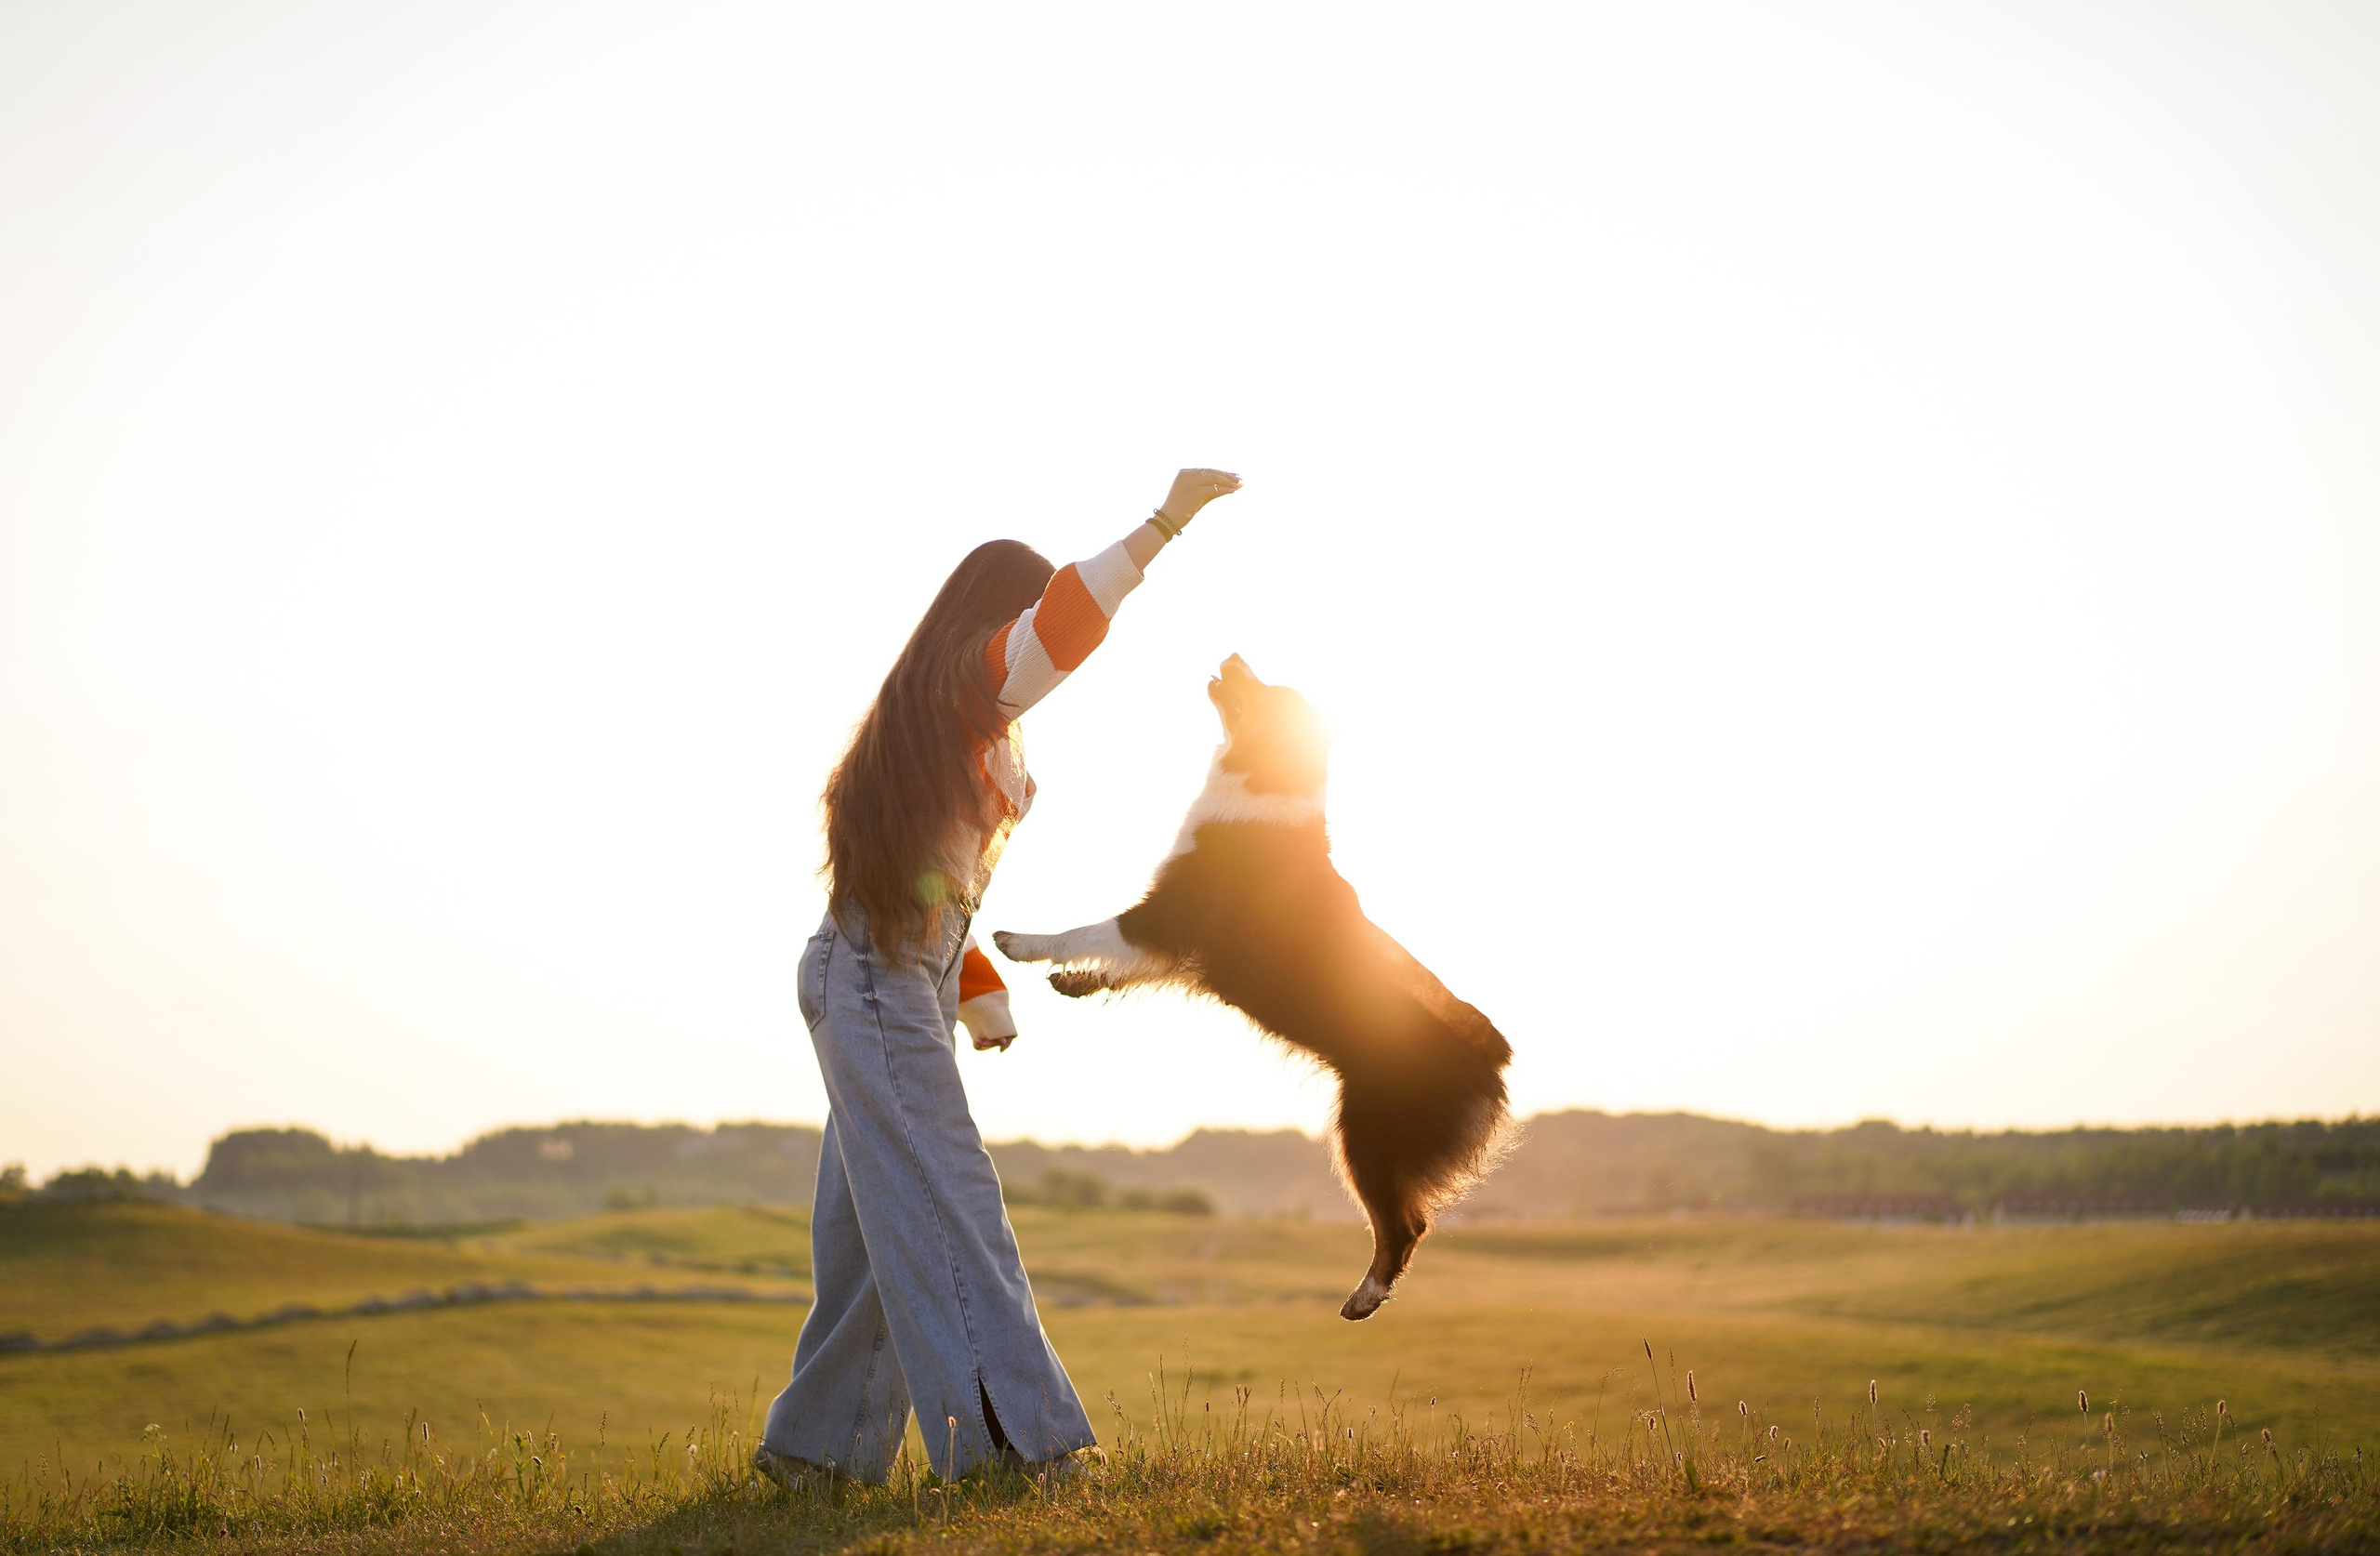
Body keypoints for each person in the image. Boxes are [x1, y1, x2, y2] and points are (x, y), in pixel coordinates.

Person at [758, 468, 1244, 1485]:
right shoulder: (971, 681)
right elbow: (1062, 626)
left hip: (884, 982)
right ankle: (1017, 1453)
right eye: (1020, 613)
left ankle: (817, 1460)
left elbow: (928, 885)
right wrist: (1161, 527)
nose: (1033, 640)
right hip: (874, 986)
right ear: (997, 614)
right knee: (951, 1207)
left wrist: (972, 992)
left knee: (879, 1238)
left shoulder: (943, 725)